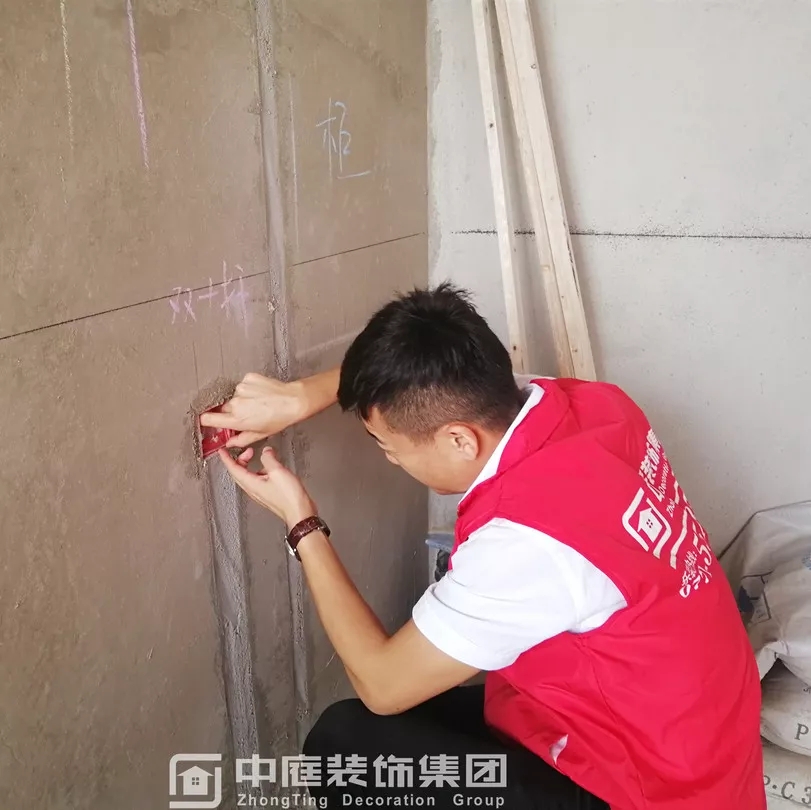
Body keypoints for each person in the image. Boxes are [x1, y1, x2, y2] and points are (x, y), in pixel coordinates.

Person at [201, 283, 766, 810]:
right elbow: (431, 378)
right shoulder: (587, 405)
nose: (390, 460)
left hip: (644, 790)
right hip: (678, 737)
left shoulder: (529, 542)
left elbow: (383, 684)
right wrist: (301, 396)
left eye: (388, 447)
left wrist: (301, 522)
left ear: (459, 440)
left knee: (345, 745)